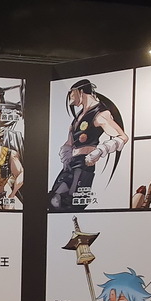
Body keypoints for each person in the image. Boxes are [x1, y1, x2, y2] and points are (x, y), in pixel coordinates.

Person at [49, 79, 128, 210]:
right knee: (54, 200)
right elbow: (70, 141)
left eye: (72, 95)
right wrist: (66, 153)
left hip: (84, 165)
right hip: (70, 165)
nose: (71, 101)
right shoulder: (79, 116)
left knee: (68, 203)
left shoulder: (100, 113)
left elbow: (122, 137)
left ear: (80, 92)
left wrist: (100, 151)